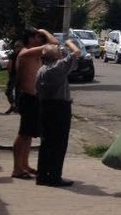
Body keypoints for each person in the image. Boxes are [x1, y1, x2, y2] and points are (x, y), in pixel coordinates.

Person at [12, 28, 58, 180]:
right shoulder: (26, 53)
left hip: (35, 98)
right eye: (38, 37)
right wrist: (45, 31)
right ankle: (17, 169)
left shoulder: (34, 53)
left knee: (29, 135)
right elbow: (54, 44)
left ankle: (24, 164)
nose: (41, 39)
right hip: (27, 97)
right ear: (30, 38)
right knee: (23, 134)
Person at [35, 40, 81, 187]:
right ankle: (54, 176)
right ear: (54, 56)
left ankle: (42, 175)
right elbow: (76, 53)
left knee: (46, 142)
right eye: (57, 51)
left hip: (45, 106)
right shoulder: (58, 67)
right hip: (59, 108)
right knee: (59, 143)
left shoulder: (42, 69)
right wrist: (69, 43)